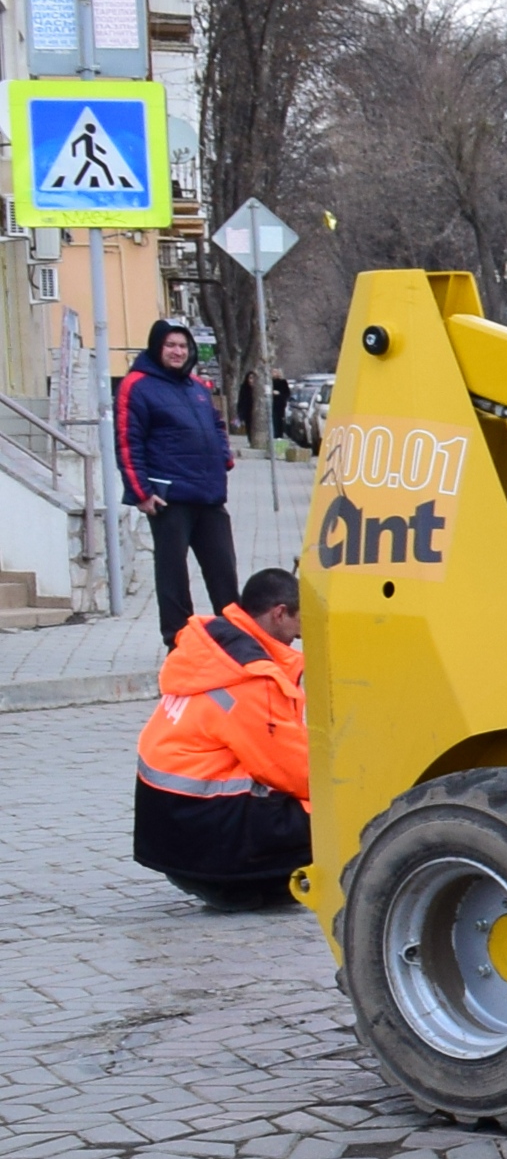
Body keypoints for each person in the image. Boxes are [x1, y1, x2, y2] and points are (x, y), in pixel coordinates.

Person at [133, 564, 309, 909]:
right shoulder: (251, 678)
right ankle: (255, 880)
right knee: (334, 812)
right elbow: (296, 772)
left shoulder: (213, 648)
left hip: (172, 828)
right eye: (297, 628)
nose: (298, 639)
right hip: (208, 841)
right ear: (279, 613)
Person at [116, 318, 236, 649]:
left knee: (223, 572)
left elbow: (217, 424)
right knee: (173, 577)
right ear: (157, 347)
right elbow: (128, 441)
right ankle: (180, 644)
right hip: (169, 500)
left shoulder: (197, 387)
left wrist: (224, 458)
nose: (177, 351)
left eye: (183, 346)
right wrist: (141, 492)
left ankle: (234, 640)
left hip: (209, 497)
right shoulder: (136, 385)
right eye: (170, 345)